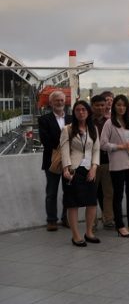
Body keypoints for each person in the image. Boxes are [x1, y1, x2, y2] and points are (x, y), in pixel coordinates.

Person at [60, 100, 101, 246]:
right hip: (73, 170)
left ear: (88, 111)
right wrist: (66, 168)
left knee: (91, 202)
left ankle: (89, 232)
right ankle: (76, 235)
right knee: (73, 203)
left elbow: (96, 149)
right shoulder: (68, 129)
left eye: (83, 109)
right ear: (74, 112)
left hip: (89, 169)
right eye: (78, 110)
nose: (81, 112)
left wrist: (94, 168)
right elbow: (64, 151)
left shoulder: (93, 128)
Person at [101, 94, 129, 237]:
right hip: (117, 164)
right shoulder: (109, 123)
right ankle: (120, 225)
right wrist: (120, 146)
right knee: (117, 196)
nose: (121, 107)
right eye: (118, 105)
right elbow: (103, 144)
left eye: (124, 105)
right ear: (114, 106)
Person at [39, 90, 71, 231]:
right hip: (52, 161)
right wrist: (63, 144)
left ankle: (66, 218)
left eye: (61, 100)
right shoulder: (44, 119)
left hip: (69, 161)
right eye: (56, 100)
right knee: (51, 192)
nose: (59, 102)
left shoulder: (71, 119)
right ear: (51, 103)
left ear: (65, 102)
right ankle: (51, 220)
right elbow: (45, 140)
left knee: (68, 191)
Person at [89, 94, 114, 231]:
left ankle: (108, 219)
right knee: (91, 193)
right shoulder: (86, 121)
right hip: (91, 163)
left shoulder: (110, 121)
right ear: (92, 106)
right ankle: (92, 222)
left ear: (106, 106)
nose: (100, 108)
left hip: (107, 161)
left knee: (108, 193)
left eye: (102, 105)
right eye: (97, 105)